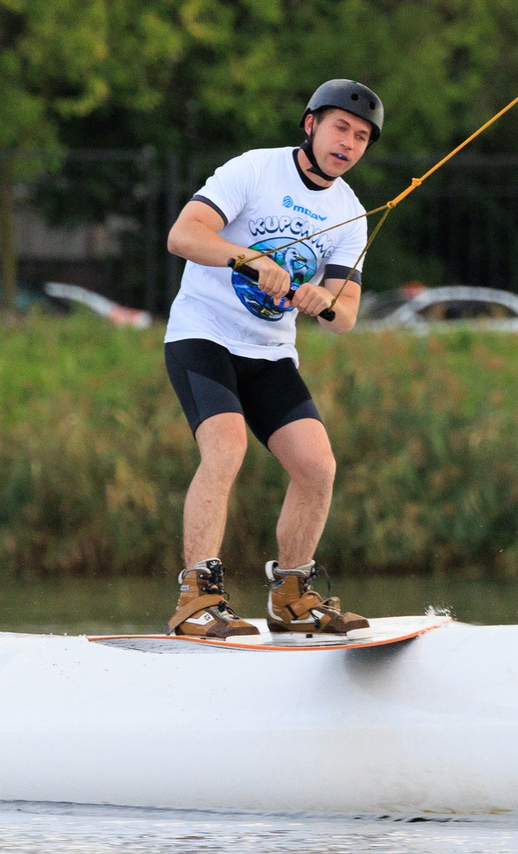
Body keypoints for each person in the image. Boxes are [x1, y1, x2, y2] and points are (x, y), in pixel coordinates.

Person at [160, 80, 382, 638]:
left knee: (317, 466)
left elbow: (345, 314)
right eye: (340, 128)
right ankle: (196, 601)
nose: (348, 143)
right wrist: (250, 259)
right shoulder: (255, 169)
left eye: (361, 137)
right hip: (203, 335)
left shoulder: (351, 213)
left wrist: (321, 301)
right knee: (226, 447)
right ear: (310, 125)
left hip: (269, 353)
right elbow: (183, 235)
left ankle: (291, 597)